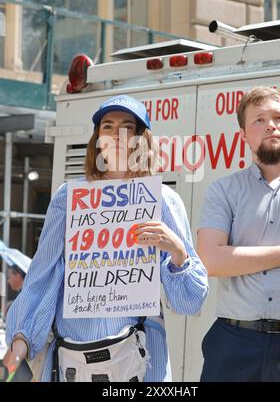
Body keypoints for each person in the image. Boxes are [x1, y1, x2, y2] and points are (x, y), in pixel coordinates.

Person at [4, 94, 208, 382]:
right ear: (97, 139)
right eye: (108, 126)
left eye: (128, 126)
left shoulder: (162, 200)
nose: (117, 135)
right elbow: (44, 274)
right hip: (72, 358)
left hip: (141, 361)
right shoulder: (69, 198)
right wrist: (20, 342)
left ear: (141, 139)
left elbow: (190, 302)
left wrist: (178, 253)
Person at [197, 86, 280, 382]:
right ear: (244, 134)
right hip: (233, 342)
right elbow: (211, 261)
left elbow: (224, 256)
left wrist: (239, 257)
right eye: (259, 119)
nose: (270, 124)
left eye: (279, 117)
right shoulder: (223, 191)